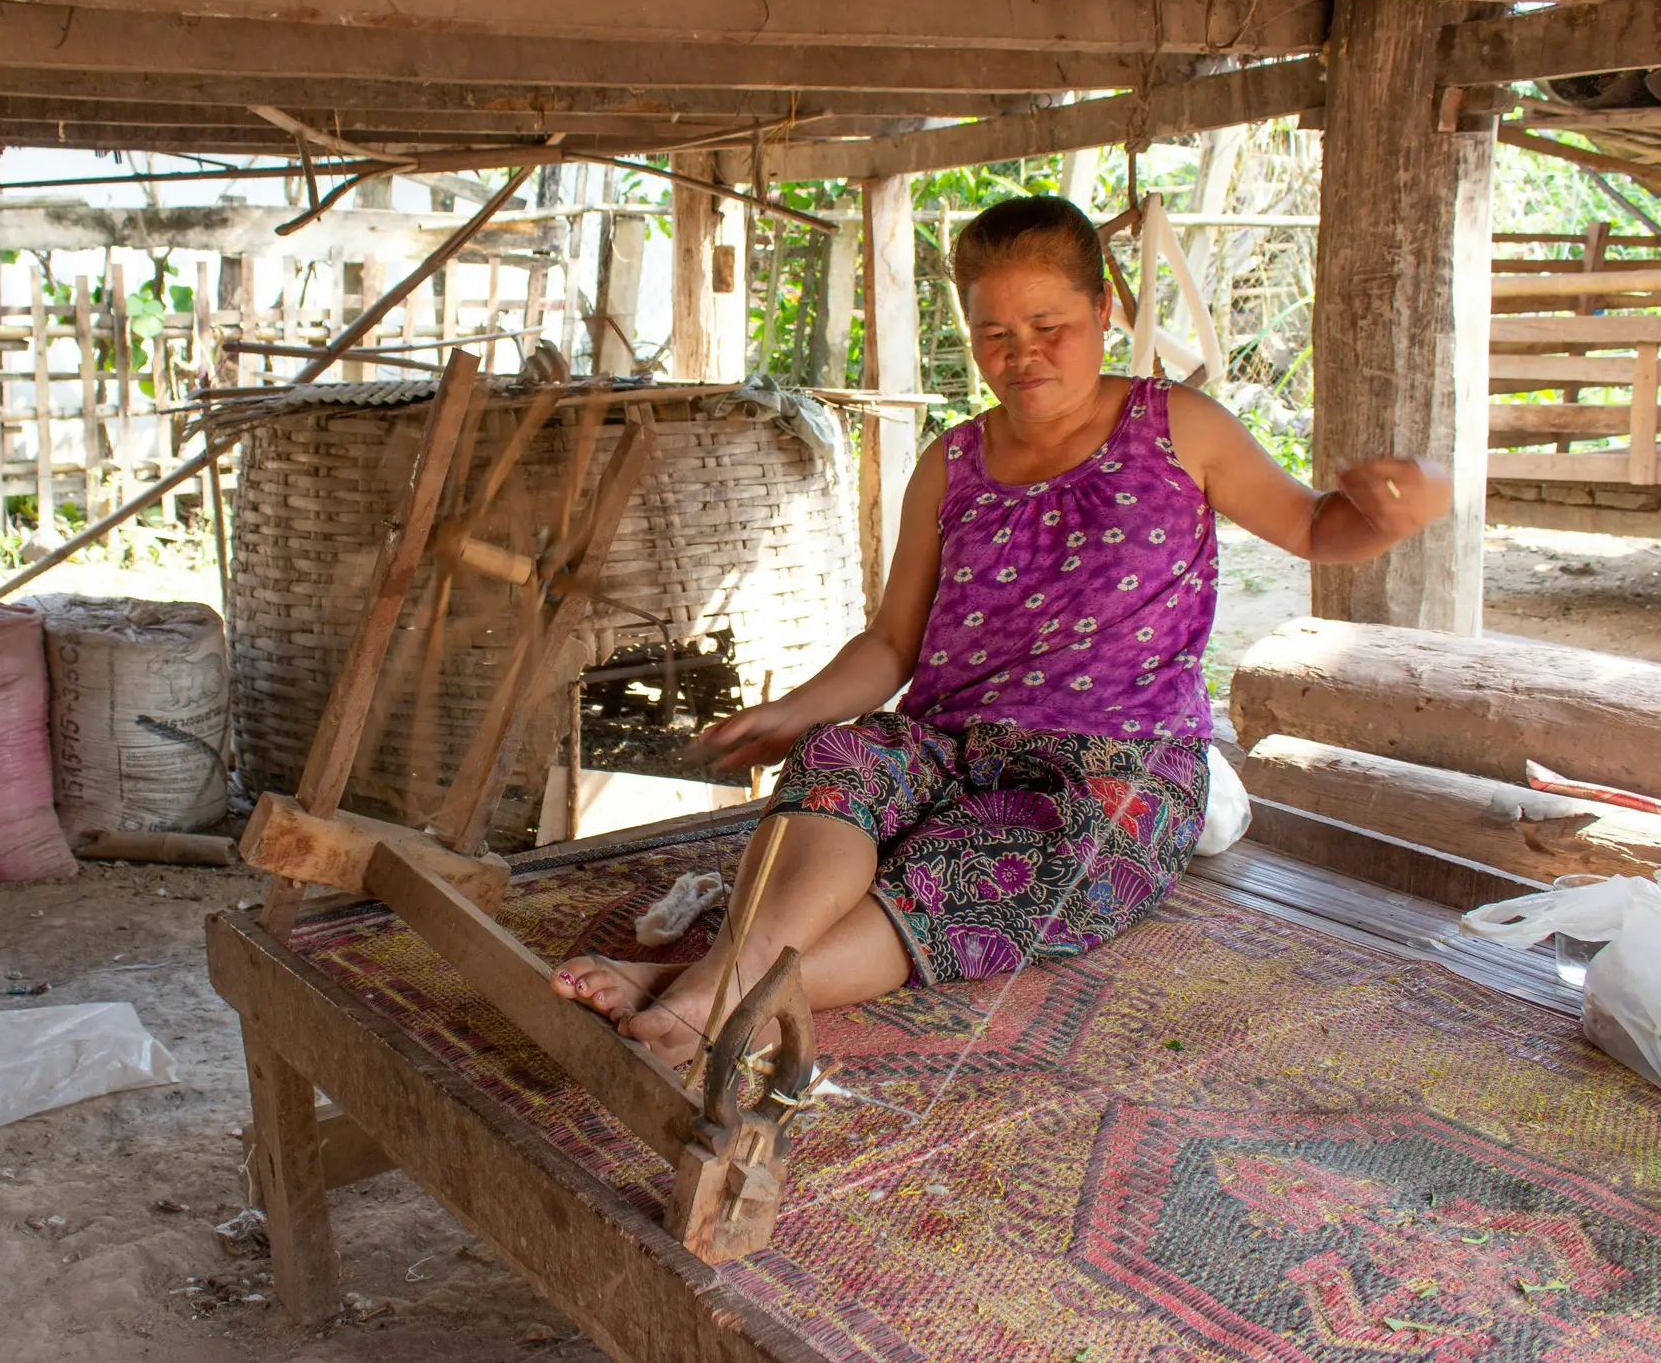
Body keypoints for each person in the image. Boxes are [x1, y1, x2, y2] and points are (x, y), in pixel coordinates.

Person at [551, 195, 1450, 1067]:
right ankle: (723, 984)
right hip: (950, 743)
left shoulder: (1180, 428)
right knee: (844, 757)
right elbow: (891, 646)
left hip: (1118, 769)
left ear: (1103, 309)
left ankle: (697, 991)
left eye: (1049, 325)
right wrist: (797, 709)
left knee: (981, 864)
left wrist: (1388, 515)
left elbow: (1316, 528)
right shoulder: (952, 464)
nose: (1023, 356)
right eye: (995, 334)